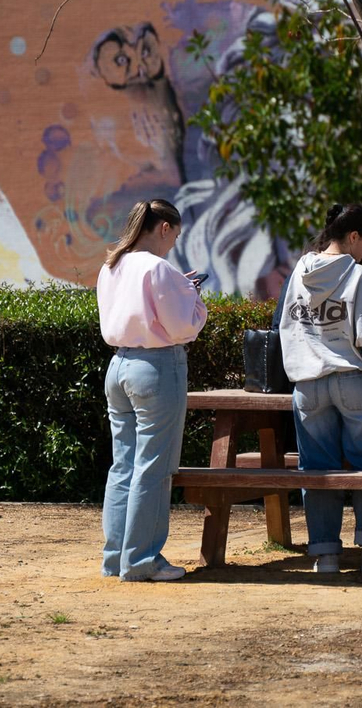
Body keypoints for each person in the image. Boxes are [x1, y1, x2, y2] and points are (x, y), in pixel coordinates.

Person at [279, 203, 362, 575]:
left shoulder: (300, 272)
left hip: (308, 384)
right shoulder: (359, 276)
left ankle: (325, 555)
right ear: (352, 237)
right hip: (354, 380)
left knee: (317, 470)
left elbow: (287, 327)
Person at [97, 198, 208, 581]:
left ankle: (116, 558)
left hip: (119, 365)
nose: (173, 244)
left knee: (123, 465)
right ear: (164, 228)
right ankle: (142, 560)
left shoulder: (111, 265)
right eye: (174, 236)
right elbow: (183, 327)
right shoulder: (159, 268)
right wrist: (193, 296)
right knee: (154, 468)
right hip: (157, 367)